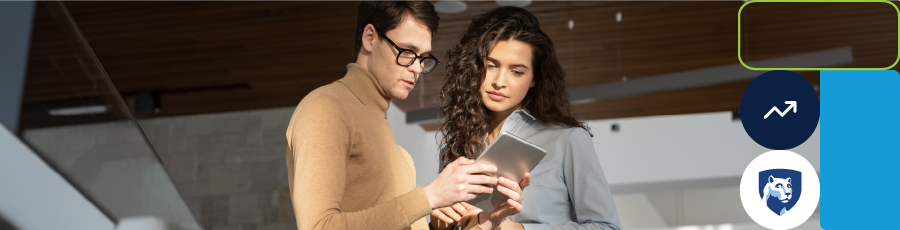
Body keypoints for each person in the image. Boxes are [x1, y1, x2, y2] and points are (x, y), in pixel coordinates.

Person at [285, 1, 502, 230]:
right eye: (408, 52)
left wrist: (483, 223)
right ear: (370, 38)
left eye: (423, 57)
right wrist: (428, 197)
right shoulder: (326, 108)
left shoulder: (398, 153)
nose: (417, 68)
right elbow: (318, 226)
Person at [431, 6, 623, 230]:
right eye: (490, 66)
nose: (499, 81)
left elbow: (607, 227)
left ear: (535, 79)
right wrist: (437, 223)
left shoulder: (568, 140)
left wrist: (520, 229)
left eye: (517, 71)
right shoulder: (455, 148)